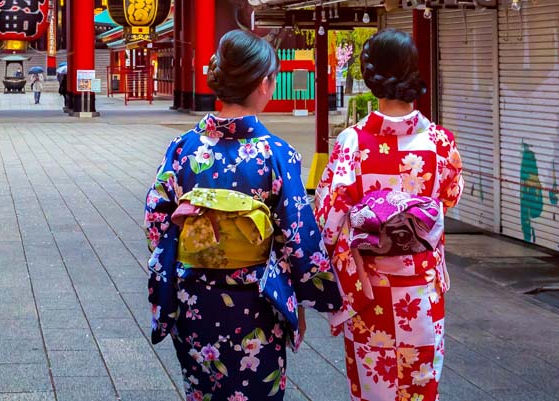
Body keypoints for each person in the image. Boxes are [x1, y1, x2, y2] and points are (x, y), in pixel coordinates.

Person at [144, 30, 341, 400]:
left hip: (194, 299)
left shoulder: (183, 148)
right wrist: (324, 297)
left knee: (203, 392)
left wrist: (195, 249)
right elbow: (298, 237)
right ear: (265, 83)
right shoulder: (276, 154)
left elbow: (156, 220)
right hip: (256, 302)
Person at [314, 29, 463, 401]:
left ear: (370, 76)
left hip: (371, 288)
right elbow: (449, 196)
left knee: (373, 386)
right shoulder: (440, 142)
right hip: (422, 286)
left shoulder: (353, 141)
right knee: (420, 386)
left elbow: (329, 218)